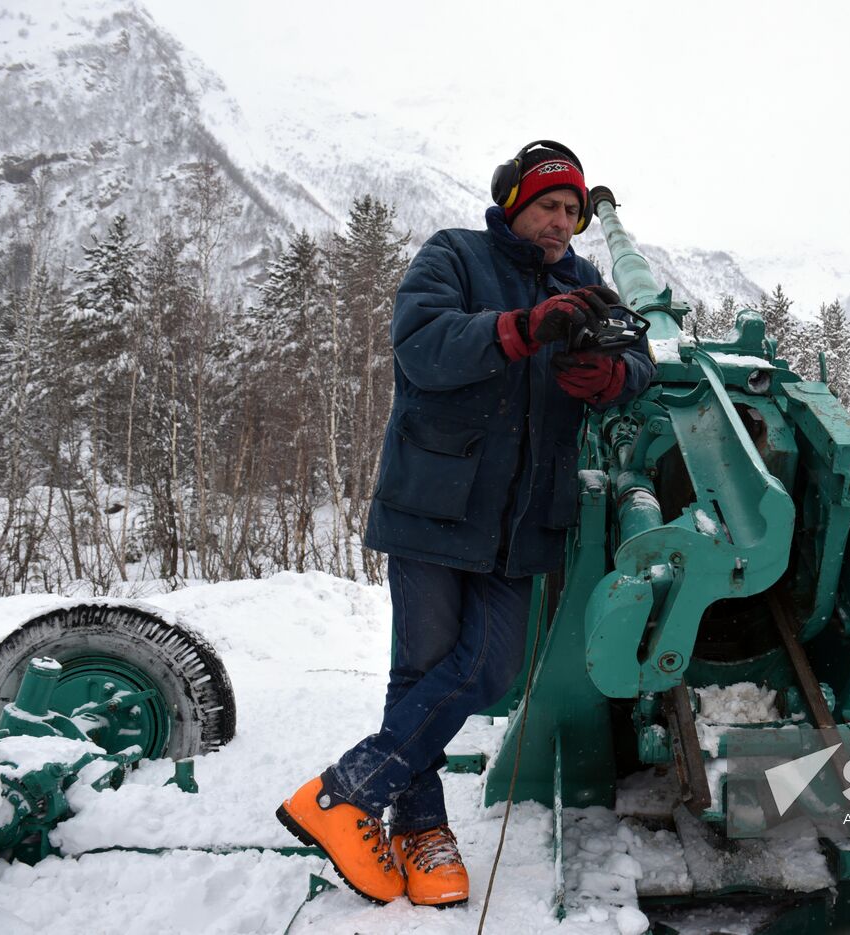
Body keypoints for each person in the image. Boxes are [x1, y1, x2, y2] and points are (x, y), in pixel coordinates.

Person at [276, 141, 654, 908]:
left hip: (524, 520)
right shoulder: (454, 255)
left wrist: (611, 377)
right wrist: (521, 328)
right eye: (549, 205)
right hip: (434, 503)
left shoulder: (585, 283)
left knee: (490, 668)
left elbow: (640, 358)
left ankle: (345, 790)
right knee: (421, 670)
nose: (561, 223)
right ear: (513, 201)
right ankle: (421, 831)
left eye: (573, 212)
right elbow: (421, 347)